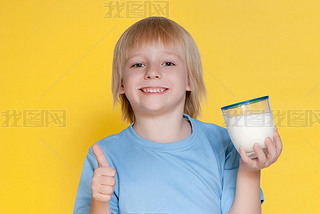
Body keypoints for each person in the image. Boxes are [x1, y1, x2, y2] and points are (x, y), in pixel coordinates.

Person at [73, 16, 283, 214]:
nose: (152, 72)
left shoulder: (225, 144)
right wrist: (100, 202)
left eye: (168, 63)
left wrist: (249, 170)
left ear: (190, 80)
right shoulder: (103, 156)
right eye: (138, 64)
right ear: (121, 83)